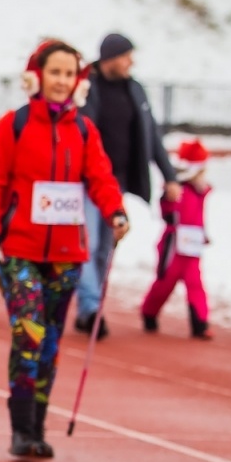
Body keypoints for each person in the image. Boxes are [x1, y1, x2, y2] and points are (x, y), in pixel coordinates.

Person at [0, 40, 128, 460]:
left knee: (50, 344)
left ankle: (38, 428)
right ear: (37, 76)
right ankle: (20, 429)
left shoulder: (83, 130)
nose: (62, 81)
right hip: (19, 252)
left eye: (69, 74)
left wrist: (115, 210)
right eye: (55, 72)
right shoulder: (14, 125)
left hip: (66, 256)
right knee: (29, 333)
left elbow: (100, 177)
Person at [75, 33, 180, 339]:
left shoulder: (135, 89)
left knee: (106, 248)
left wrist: (169, 175)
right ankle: (91, 307)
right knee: (89, 244)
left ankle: (88, 306)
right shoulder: (88, 87)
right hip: (89, 181)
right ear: (109, 58)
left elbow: (152, 136)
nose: (130, 62)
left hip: (117, 182)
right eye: (126, 56)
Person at [141, 139, 214, 340]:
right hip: (173, 247)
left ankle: (200, 322)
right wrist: (169, 199)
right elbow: (167, 213)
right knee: (164, 284)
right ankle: (149, 312)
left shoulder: (200, 192)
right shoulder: (177, 190)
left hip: (192, 249)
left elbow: (197, 218)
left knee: (195, 284)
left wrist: (203, 235)